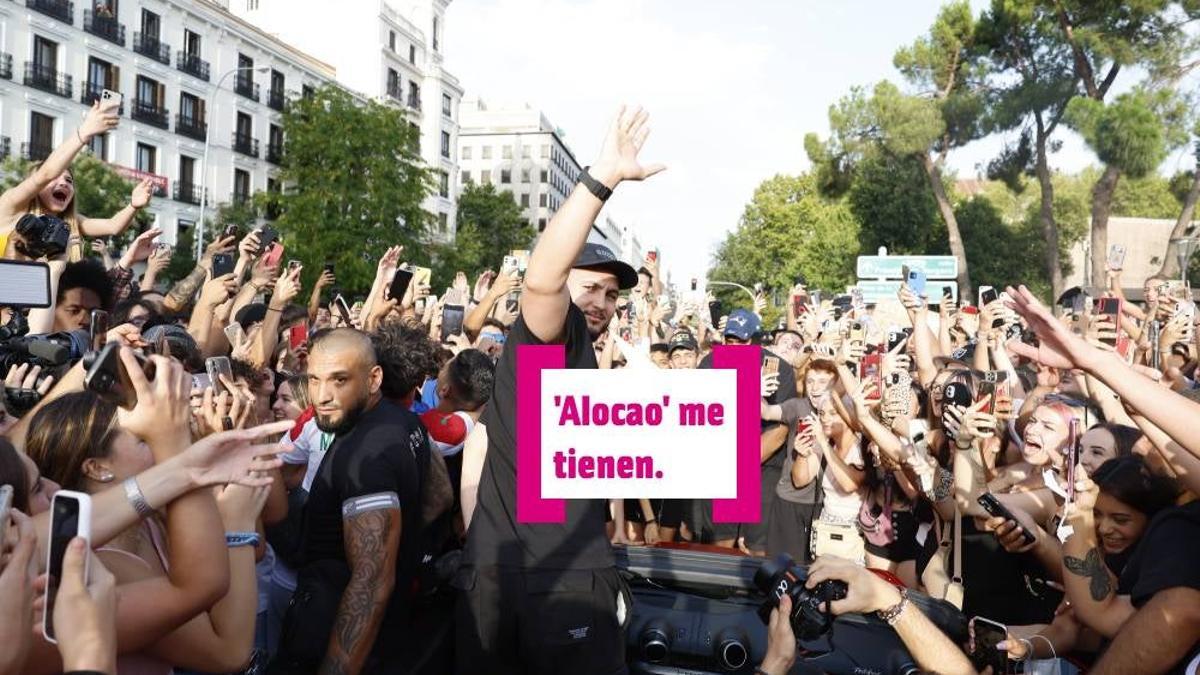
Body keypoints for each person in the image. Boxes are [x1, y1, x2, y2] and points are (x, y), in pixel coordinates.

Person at [456, 105, 662, 675]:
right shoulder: (552, 333)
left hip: (533, 568)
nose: (602, 302)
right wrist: (603, 178)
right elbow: (544, 278)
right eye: (591, 287)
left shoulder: (582, 368)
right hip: (545, 579)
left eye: (612, 295)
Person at [273, 328, 429, 674]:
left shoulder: (366, 459)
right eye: (314, 380)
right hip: (384, 633)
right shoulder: (405, 421)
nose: (322, 395)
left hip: (351, 643)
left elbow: (370, 583)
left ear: (374, 379)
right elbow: (439, 496)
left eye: (339, 380)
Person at [0, 101, 152, 262]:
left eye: (68, 180)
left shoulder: (69, 223)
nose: (64, 183)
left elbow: (113, 226)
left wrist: (134, 205)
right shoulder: (11, 205)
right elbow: (45, 174)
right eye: (56, 178)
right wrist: (84, 133)